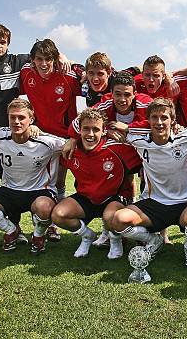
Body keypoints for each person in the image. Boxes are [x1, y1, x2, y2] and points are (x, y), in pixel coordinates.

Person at [111, 98, 187, 270]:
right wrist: (110, 132)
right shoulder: (137, 139)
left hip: (186, 202)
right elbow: (103, 128)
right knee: (118, 220)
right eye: (154, 117)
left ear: (173, 121)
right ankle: (153, 240)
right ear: (148, 121)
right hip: (154, 202)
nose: (159, 122)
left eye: (164, 117)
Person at [0, 99, 66, 254]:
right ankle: (11, 230)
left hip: (38, 192)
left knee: (44, 207)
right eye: (12, 117)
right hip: (9, 190)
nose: (16, 121)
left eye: (21, 117)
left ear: (31, 119)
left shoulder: (47, 142)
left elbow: (71, 144)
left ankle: (38, 236)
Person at [53, 108, 142, 259]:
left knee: (110, 217)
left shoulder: (118, 148)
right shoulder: (71, 150)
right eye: (86, 129)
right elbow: (59, 164)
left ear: (103, 131)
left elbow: (144, 162)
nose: (91, 134)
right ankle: (87, 236)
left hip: (112, 199)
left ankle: (115, 241)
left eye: (96, 129)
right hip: (85, 198)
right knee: (58, 215)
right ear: (79, 131)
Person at [19, 38, 81, 241]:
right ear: (33, 60)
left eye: (48, 59)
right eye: (39, 59)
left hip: (66, 139)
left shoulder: (69, 75)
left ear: (55, 59)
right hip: (40, 138)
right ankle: (49, 225)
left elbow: (98, 77)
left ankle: (64, 220)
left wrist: (65, 59)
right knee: (42, 184)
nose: (44, 64)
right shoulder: (26, 73)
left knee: (62, 181)